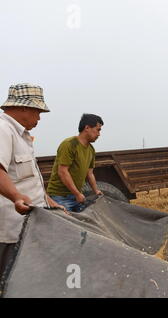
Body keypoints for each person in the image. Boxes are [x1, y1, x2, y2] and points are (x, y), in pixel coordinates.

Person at [0, 84, 65, 290]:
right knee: (9, 282)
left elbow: (28, 179)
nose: (38, 118)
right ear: (24, 108)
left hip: (27, 227)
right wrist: (16, 197)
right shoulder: (3, 130)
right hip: (10, 229)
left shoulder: (21, 135)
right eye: (37, 112)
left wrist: (49, 201)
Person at [46, 114, 104, 212]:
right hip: (60, 197)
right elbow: (63, 172)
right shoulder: (69, 144)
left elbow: (89, 173)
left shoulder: (91, 150)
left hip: (76, 196)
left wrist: (96, 191)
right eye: (98, 130)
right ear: (87, 128)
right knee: (65, 225)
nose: (99, 134)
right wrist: (77, 194)